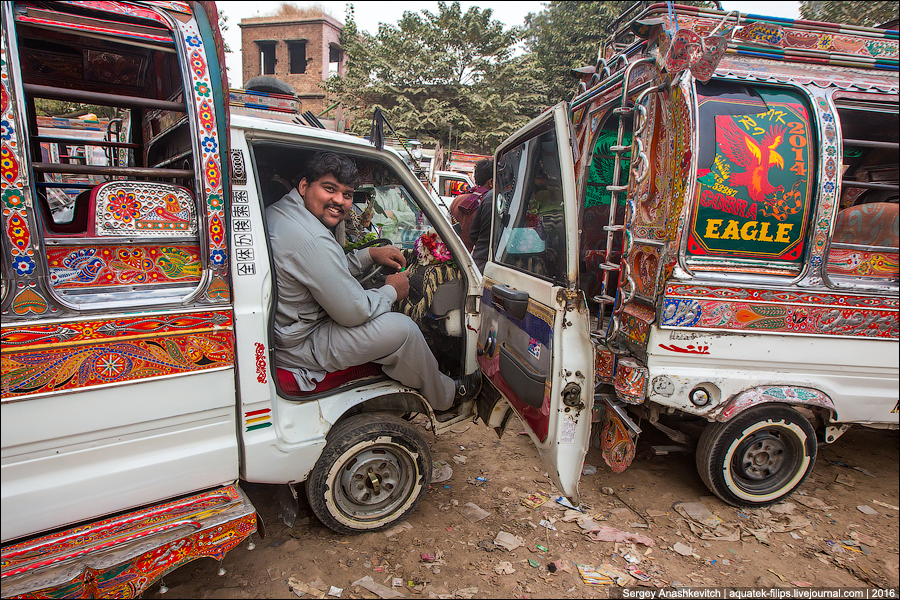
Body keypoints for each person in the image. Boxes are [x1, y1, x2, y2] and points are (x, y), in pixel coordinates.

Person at [266, 152, 457, 410]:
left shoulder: (285, 213)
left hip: (287, 330)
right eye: (329, 189)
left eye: (346, 194)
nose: (339, 201)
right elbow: (354, 312)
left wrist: (368, 255)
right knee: (404, 330)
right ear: (303, 186)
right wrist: (391, 290)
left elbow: (323, 269)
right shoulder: (312, 238)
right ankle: (446, 398)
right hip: (299, 345)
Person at [449, 159, 493, 251]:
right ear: (491, 182)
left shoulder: (458, 200)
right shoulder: (489, 203)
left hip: (454, 255)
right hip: (474, 260)